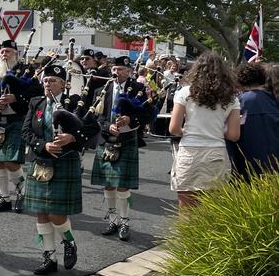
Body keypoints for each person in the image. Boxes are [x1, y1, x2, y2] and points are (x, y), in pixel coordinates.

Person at [22, 65, 99, 274]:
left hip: (65, 161)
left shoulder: (76, 103)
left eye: (53, 80)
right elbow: (26, 131)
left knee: (56, 214)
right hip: (40, 161)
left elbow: (93, 129)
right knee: (41, 214)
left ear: (64, 84)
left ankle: (69, 242)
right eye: (46, 80)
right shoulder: (36, 103)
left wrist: (73, 137)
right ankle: (49, 257)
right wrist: (43, 146)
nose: (48, 84)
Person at [90, 56, 152, 241]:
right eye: (114, 69)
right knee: (108, 183)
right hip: (107, 138)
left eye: (121, 70)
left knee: (122, 185)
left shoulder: (138, 89)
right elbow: (95, 116)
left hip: (127, 139)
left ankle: (125, 221)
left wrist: (130, 120)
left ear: (129, 71)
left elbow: (148, 114)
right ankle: (113, 219)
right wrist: (107, 126)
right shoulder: (102, 90)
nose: (117, 73)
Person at [169, 52, 240, 209]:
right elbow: (234, 135)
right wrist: (216, 130)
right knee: (211, 211)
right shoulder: (232, 98)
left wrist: (186, 131)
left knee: (186, 210)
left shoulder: (185, 92)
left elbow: (173, 128)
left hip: (189, 151)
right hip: (216, 152)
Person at [0, 39, 43, 213]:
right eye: (2, 51)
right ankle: (4, 198)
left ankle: (22, 192)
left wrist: (16, 98)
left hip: (16, 120)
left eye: (8, 51)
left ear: (16, 54)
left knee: (11, 162)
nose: (4, 54)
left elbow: (36, 93)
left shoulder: (26, 71)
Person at [227, 63, 279, 180]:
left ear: (240, 81)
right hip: (273, 167)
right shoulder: (274, 101)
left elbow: (230, 136)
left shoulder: (238, 102)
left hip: (246, 168)